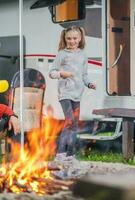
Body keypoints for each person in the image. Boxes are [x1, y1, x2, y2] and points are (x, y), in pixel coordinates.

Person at [49, 26, 96, 158]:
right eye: (69, 38)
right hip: (65, 93)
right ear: (65, 38)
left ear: (80, 38)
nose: (72, 41)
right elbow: (52, 73)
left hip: (77, 94)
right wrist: (61, 73)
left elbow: (84, 75)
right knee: (69, 122)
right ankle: (60, 153)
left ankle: (71, 154)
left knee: (74, 124)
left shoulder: (83, 55)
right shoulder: (62, 54)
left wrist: (89, 84)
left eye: (75, 38)